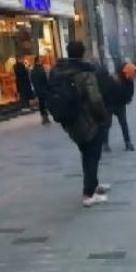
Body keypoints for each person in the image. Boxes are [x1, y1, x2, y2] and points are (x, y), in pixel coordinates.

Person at [50, 41, 109, 207]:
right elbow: (95, 99)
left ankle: (93, 184)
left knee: (86, 152)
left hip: (70, 121)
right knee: (93, 155)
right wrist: (102, 116)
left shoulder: (60, 71)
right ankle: (88, 193)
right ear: (83, 53)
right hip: (87, 119)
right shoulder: (84, 72)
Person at [98, 62, 136, 152]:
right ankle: (108, 143)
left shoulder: (125, 79)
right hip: (112, 104)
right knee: (112, 124)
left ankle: (124, 143)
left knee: (115, 124)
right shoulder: (113, 79)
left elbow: (129, 92)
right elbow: (105, 91)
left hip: (115, 104)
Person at [30, 56, 50, 125]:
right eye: (40, 60)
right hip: (43, 88)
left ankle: (44, 117)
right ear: (38, 61)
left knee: (41, 104)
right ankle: (46, 117)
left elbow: (32, 80)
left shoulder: (33, 70)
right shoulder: (41, 69)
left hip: (37, 89)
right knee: (45, 103)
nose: (42, 61)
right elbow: (45, 79)